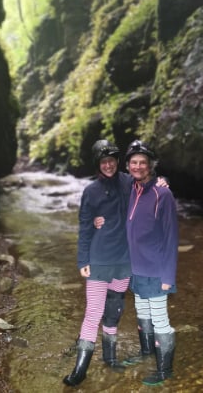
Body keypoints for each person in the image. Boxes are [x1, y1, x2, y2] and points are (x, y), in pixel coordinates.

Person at [63, 140, 168, 387]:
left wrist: (162, 183)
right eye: (103, 161)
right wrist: (83, 259)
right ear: (97, 164)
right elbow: (84, 227)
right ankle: (81, 369)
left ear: (117, 161)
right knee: (93, 313)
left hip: (125, 261)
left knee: (114, 311)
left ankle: (110, 358)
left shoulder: (130, 182)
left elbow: (150, 187)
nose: (108, 165)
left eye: (111, 160)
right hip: (99, 261)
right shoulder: (90, 191)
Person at [124, 140, 179, 386]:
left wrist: (168, 277)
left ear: (150, 166)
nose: (138, 166)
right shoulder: (129, 189)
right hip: (135, 269)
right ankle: (146, 354)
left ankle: (165, 371)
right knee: (142, 313)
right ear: (128, 166)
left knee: (160, 320)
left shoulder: (162, 194)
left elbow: (170, 237)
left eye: (142, 163)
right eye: (133, 162)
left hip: (156, 271)